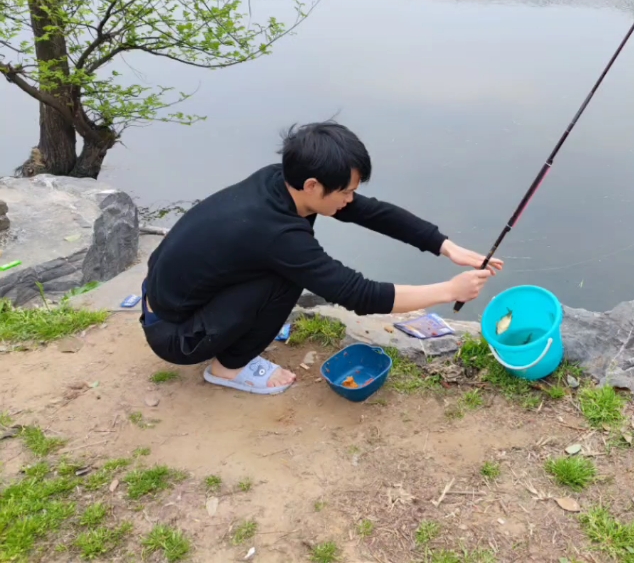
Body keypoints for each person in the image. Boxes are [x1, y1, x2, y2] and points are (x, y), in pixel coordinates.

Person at [140, 121, 502, 396]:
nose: (350, 200)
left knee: (279, 268)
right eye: (346, 191)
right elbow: (359, 294)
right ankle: (227, 368)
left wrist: (444, 245)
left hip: (163, 298)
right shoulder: (277, 233)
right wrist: (448, 290)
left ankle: (232, 335)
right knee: (287, 276)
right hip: (176, 336)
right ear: (313, 185)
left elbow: (373, 213)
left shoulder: (278, 181)